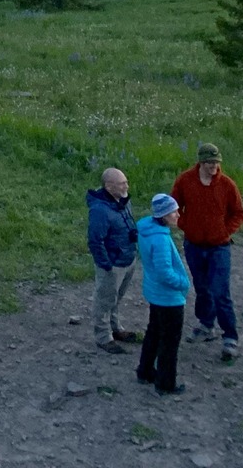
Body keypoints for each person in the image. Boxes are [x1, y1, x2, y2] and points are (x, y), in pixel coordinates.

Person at [171, 141, 243, 361]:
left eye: (216, 162)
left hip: (219, 247)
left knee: (221, 292)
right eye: (209, 162)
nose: (213, 166)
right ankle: (206, 326)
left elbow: (238, 213)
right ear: (200, 162)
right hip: (194, 245)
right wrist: (186, 225)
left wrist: (225, 232)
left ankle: (230, 337)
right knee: (202, 288)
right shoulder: (185, 181)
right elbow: (174, 206)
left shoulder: (227, 185)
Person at [135, 192, 191, 395]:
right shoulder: (159, 239)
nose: (178, 214)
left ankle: (145, 371)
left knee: (154, 332)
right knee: (170, 341)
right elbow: (164, 271)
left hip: (155, 293)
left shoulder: (146, 230)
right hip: (168, 298)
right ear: (164, 215)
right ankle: (166, 384)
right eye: (174, 211)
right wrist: (183, 282)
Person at [86, 167, 141, 353]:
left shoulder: (123, 202)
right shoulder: (100, 210)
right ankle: (103, 337)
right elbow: (95, 240)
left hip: (127, 258)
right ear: (109, 186)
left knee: (116, 297)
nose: (127, 185)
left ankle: (115, 328)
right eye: (122, 183)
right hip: (113, 263)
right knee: (104, 300)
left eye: (126, 182)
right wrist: (106, 264)